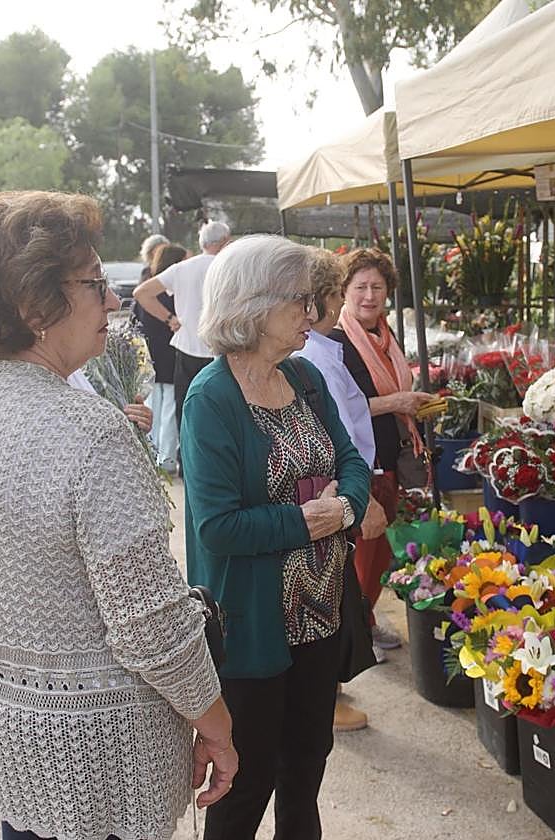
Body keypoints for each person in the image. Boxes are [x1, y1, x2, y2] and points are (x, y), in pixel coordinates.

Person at [0, 190, 237, 840]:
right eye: (94, 284)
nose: (113, 301)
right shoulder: (92, 432)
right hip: (98, 759)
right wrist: (216, 726)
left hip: (3, 739)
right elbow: (151, 627)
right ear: (34, 306)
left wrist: (13, 616)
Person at [180, 234, 370, 840]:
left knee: (306, 765)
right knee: (248, 781)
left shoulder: (304, 376)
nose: (313, 313)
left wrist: (345, 507)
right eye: (300, 301)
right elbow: (216, 526)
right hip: (253, 625)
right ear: (255, 304)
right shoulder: (211, 398)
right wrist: (307, 520)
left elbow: (352, 461)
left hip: (320, 612)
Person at [293, 248, 386, 732]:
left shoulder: (324, 351)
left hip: (344, 485)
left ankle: (328, 691)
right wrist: (363, 498)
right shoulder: (315, 356)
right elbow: (337, 435)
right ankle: (324, 697)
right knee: (331, 594)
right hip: (337, 492)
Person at [332, 248, 433, 656]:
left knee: (380, 552)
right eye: (361, 287)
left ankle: (367, 621)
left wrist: (412, 404)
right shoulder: (337, 341)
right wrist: (397, 402)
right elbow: (341, 406)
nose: (369, 296)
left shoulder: (386, 338)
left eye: (377, 287)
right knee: (363, 551)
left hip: (389, 453)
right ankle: (356, 633)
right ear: (344, 291)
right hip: (360, 459)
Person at [133, 220, 231, 430]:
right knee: (220, 416)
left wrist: (170, 318)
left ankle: (184, 451)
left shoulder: (181, 268)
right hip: (222, 349)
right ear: (225, 241)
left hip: (186, 348)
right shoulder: (229, 267)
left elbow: (141, 293)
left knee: (185, 414)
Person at [133, 243, 188, 471]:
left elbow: (135, 321)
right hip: (171, 354)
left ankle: (151, 453)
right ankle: (166, 458)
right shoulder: (174, 293)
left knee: (152, 406)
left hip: (150, 354)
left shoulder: (147, 287)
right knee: (170, 409)